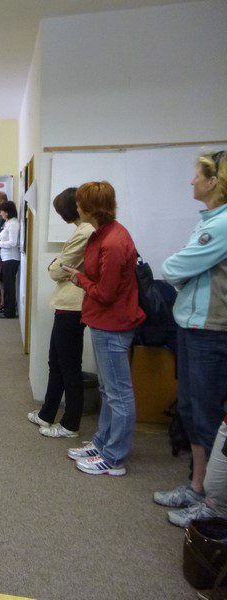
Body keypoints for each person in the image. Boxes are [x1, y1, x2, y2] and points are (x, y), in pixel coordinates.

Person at [154, 150, 227, 522]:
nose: (191, 180)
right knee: (191, 411)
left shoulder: (223, 224)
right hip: (192, 325)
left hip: (210, 330)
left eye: (197, 175)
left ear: (214, 182)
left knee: (206, 414)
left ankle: (215, 505)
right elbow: (183, 269)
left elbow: (173, 267)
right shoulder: (209, 221)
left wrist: (181, 271)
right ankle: (197, 488)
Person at [62, 181, 145, 476]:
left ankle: (114, 457)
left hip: (113, 322)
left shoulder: (113, 241)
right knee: (108, 390)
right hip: (103, 320)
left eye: (80, 203)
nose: (77, 207)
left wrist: (79, 279)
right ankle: (102, 443)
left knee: (118, 393)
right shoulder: (104, 233)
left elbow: (106, 293)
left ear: (90, 207)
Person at [27, 188, 94, 438]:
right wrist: (58, 264)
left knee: (69, 366)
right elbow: (62, 265)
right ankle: (47, 413)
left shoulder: (86, 231)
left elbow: (57, 271)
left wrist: (56, 264)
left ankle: (70, 424)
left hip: (73, 305)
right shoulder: (81, 230)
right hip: (67, 303)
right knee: (56, 362)